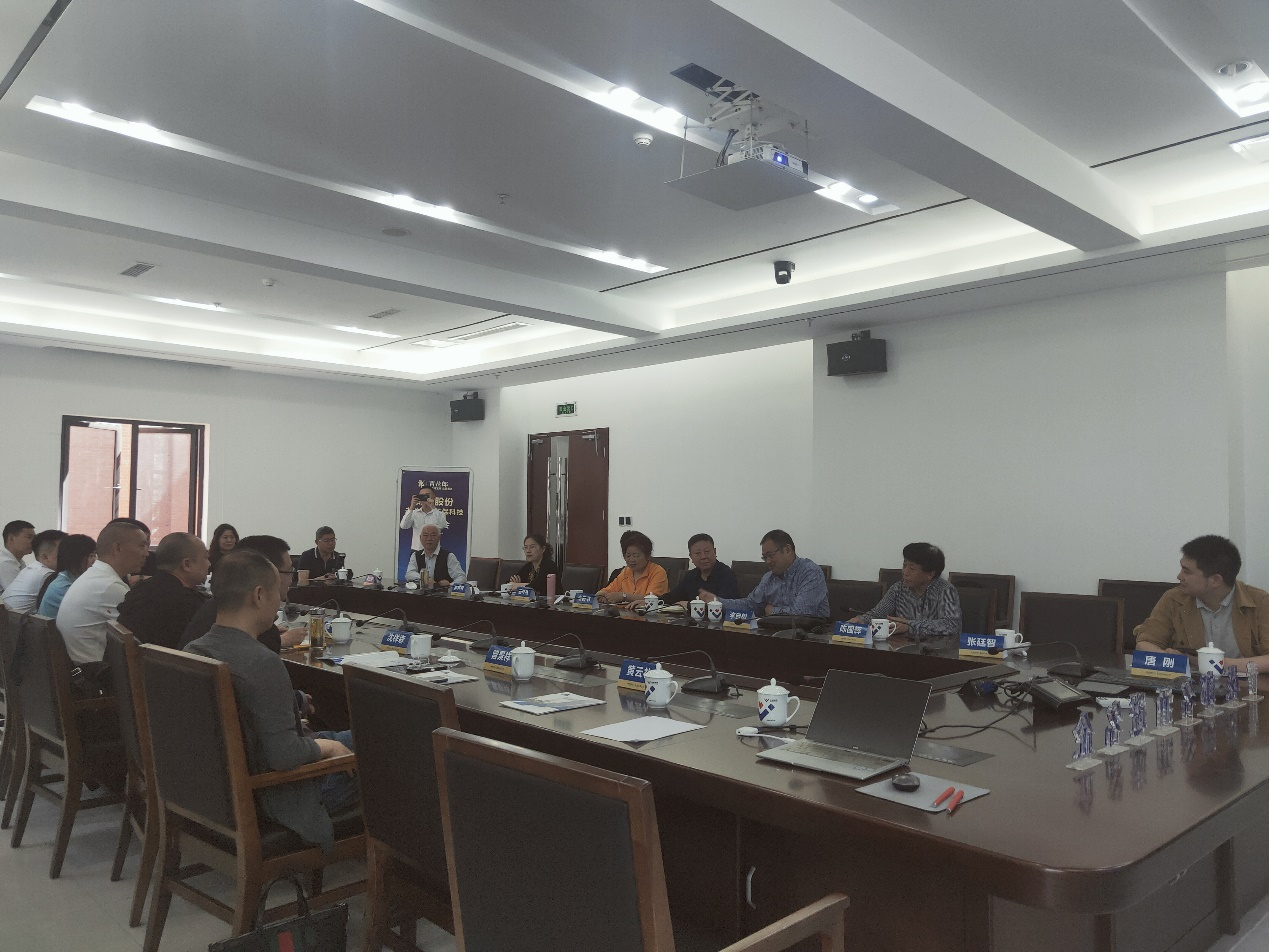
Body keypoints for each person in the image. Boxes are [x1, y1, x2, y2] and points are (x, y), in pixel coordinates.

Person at [185, 549, 357, 852]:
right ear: (259, 595)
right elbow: (285, 756)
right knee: (386, 750)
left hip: (213, 795)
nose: (281, 600)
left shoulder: (194, 650)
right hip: (279, 800)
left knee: (360, 736)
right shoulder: (262, 662)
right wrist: (328, 747)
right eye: (278, 592)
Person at [1135, 535, 1269, 672]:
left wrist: (1218, 664)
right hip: (1191, 683)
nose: (1179, 576)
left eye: (1187, 571)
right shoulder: (1173, 599)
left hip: (1246, 684)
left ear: (1215, 580)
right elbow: (1145, 642)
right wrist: (1167, 658)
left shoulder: (1260, 602)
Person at [181, 535, 306, 652]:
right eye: (289, 571)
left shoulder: (216, 607)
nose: (291, 579)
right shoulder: (260, 645)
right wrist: (280, 640)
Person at [56, 521, 150, 664]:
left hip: (80, 667)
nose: (146, 553)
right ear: (117, 548)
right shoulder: (108, 586)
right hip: (96, 673)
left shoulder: (96, 576)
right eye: (141, 546)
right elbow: (143, 635)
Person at [117, 532, 212, 649]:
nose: (209, 564)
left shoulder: (140, 588)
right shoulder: (185, 603)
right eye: (206, 557)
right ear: (186, 564)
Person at [710, 529, 829, 618]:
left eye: (770, 556)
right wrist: (717, 602)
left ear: (787, 550)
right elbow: (750, 605)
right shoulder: (769, 578)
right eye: (764, 557)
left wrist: (772, 611)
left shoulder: (810, 573)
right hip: (776, 634)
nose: (767, 562)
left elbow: (802, 613)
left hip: (811, 637)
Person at [854, 543, 961, 638]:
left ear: (930, 574)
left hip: (935, 650)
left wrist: (910, 626)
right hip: (901, 648)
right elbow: (878, 614)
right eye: (904, 565)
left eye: (912, 569)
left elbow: (951, 625)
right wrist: (862, 620)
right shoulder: (898, 588)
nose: (905, 572)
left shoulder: (946, 590)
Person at [664, 533, 740, 605]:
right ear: (691, 556)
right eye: (698, 553)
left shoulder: (727, 574)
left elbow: (724, 605)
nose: (703, 557)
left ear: (715, 552)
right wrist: (657, 600)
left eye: (707, 551)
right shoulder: (690, 576)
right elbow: (672, 597)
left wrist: (689, 605)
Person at [2, 530, 67, 612]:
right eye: (64, 553)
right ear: (45, 557)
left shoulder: (33, 568)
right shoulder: (47, 575)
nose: (69, 557)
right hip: (13, 619)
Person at [597, 531, 668, 605]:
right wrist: (601, 595)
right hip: (626, 611)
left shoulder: (658, 572)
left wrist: (623, 596)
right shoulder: (626, 571)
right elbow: (608, 590)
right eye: (628, 556)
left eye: (636, 556)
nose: (631, 560)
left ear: (647, 556)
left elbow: (652, 599)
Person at [37, 534, 97, 619]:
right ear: (76, 558)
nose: (94, 560)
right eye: (91, 556)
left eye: (95, 555)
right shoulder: (63, 586)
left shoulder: (72, 578)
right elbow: (91, 610)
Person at [405, 524, 465, 589]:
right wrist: (425, 578)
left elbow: (461, 577)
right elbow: (409, 574)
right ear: (420, 538)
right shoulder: (415, 555)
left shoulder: (449, 556)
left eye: (433, 535)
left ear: (439, 538)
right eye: (425, 535)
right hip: (420, 593)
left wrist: (450, 585)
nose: (429, 539)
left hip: (442, 594)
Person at [400, 485, 449, 557]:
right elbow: (404, 526)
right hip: (416, 550)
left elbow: (442, 525)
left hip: (434, 551)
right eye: (422, 495)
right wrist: (412, 507)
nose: (425, 497)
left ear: (434, 497)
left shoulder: (440, 514)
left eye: (427, 495)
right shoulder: (414, 513)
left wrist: (432, 507)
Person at [0, 520, 34, 593]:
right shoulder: (5, 563)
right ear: (11, 538)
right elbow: (20, 594)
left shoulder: (20, 562)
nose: (34, 542)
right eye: (29, 537)